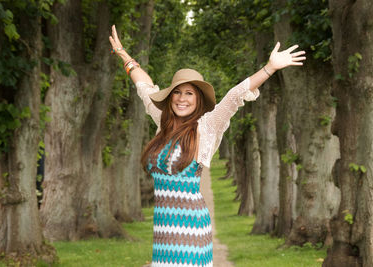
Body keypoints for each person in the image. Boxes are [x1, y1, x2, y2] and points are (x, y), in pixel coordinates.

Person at [109, 24, 305, 267]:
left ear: (198, 99)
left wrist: (270, 68)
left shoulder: (207, 126)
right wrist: (124, 55)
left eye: (189, 93)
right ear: (170, 97)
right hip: (162, 233)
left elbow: (235, 96)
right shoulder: (163, 122)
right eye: (177, 93)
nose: (182, 99)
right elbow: (144, 87)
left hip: (191, 230)